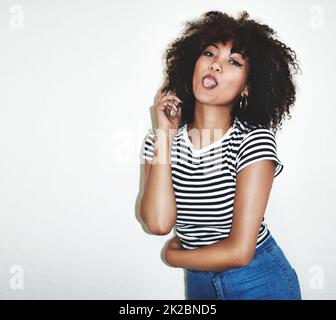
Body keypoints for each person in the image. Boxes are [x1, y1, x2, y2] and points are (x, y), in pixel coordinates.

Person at [140, 10, 302, 300]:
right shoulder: (159, 140)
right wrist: (165, 135)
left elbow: (240, 252)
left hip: (257, 280)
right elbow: (158, 223)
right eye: (209, 53)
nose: (216, 66)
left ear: (247, 88)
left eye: (233, 61)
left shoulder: (252, 141)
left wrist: (174, 257)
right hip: (200, 283)